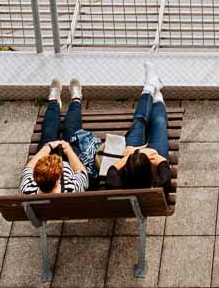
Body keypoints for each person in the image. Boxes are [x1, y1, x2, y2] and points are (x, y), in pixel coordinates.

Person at [104, 61, 173, 193]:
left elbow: (112, 169)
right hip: (152, 155)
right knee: (158, 123)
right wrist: (147, 153)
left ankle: (151, 87)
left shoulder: (117, 184)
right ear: (150, 168)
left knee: (140, 122)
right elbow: (163, 163)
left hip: (140, 160)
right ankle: (155, 91)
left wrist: (128, 157)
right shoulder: (159, 183)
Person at [20, 77, 90, 196]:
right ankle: (76, 100)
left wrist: (48, 147)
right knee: (71, 128)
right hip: (70, 161)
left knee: (49, 131)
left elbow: (29, 168)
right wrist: (68, 150)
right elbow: (82, 172)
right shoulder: (71, 190)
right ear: (57, 180)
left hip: (54, 155)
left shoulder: (28, 190)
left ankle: (54, 102)